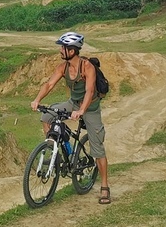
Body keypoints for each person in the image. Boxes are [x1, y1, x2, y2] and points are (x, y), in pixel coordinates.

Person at [30, 31, 111, 204]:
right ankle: (55, 151)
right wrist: (37, 100)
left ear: (72, 51)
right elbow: (49, 84)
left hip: (90, 107)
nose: (60, 50)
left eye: (63, 47)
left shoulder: (87, 67)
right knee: (47, 117)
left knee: (97, 147)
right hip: (73, 103)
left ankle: (105, 187)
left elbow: (90, 91)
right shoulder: (63, 68)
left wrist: (81, 110)